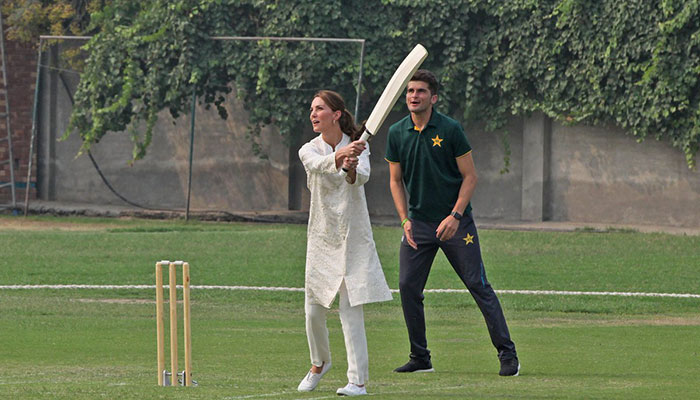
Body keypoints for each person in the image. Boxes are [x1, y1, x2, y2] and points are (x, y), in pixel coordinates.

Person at [384, 70, 520, 376]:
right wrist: (404, 219)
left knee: (478, 285)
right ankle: (420, 358)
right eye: (409, 91)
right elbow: (395, 181)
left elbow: (470, 178)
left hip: (457, 223)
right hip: (418, 224)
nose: (413, 96)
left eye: (420, 91)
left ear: (433, 97)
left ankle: (508, 354)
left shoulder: (450, 129)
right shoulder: (397, 132)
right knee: (407, 286)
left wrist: (455, 216)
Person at [297, 90, 393, 396]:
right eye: (312, 109)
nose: (313, 114)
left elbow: (359, 177)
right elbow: (316, 166)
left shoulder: (359, 147)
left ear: (336, 114)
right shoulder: (307, 149)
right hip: (322, 236)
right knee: (313, 309)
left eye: (319, 109)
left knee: (351, 309)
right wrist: (340, 156)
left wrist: (351, 163)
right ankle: (319, 363)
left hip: (352, 235)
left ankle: (358, 381)